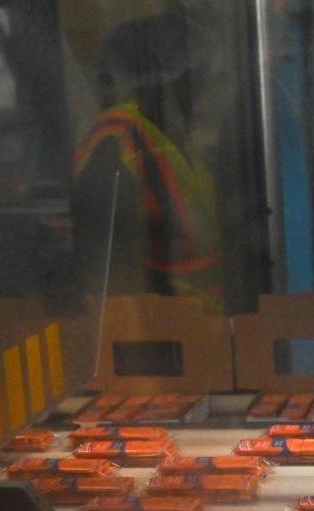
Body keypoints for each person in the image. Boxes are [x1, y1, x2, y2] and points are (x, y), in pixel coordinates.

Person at [71, 10, 225, 312]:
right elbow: (114, 284)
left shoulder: (174, 139)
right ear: (170, 77)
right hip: (166, 340)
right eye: (201, 74)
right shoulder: (118, 148)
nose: (207, 86)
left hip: (205, 334)